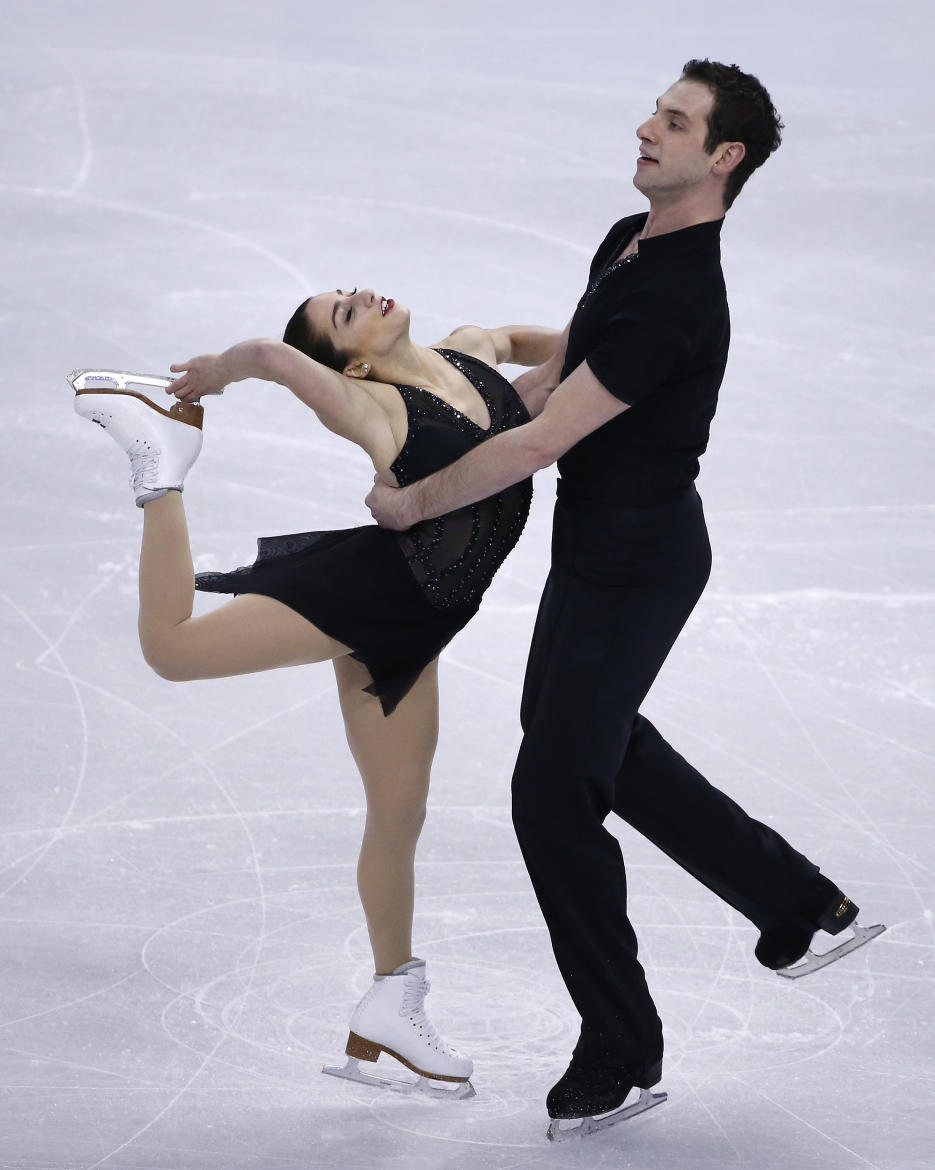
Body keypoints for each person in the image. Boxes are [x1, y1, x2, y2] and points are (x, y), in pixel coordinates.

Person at [366, 59, 883, 1130]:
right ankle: (799, 904)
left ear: (723, 157)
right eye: (658, 108)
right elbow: (555, 384)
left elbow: (550, 441)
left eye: (676, 121)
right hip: (600, 548)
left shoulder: (680, 295)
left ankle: (624, 1047)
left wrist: (419, 500)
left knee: (551, 794)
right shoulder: (628, 242)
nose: (647, 127)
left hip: (641, 562)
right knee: (577, 742)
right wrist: (458, 412)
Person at [71, 290, 560, 1096]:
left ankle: (391, 1003)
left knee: (399, 814)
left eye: (348, 293)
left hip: (420, 624)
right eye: (344, 315)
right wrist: (213, 378)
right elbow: (268, 355)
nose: (361, 296)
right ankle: (161, 465)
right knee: (172, 648)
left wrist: (599, 343)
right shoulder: (370, 405)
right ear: (357, 361)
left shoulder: (466, 352)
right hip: (373, 596)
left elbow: (514, 337)